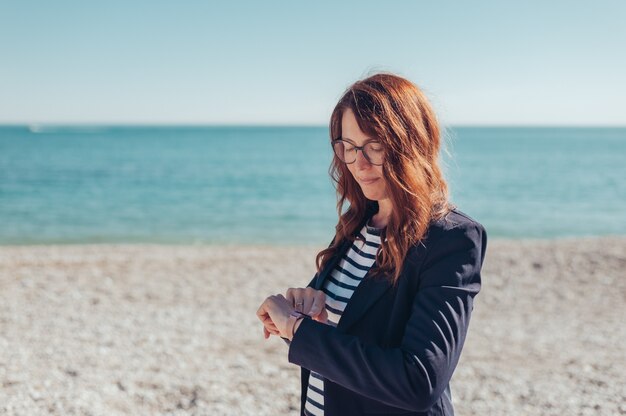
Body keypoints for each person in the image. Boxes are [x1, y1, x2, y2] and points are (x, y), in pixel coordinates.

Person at [256, 72, 487, 416]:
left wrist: (298, 329)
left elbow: (418, 381)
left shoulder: (452, 239)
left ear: (410, 143)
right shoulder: (358, 223)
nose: (358, 164)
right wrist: (302, 308)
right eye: (347, 147)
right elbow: (335, 336)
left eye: (373, 147)